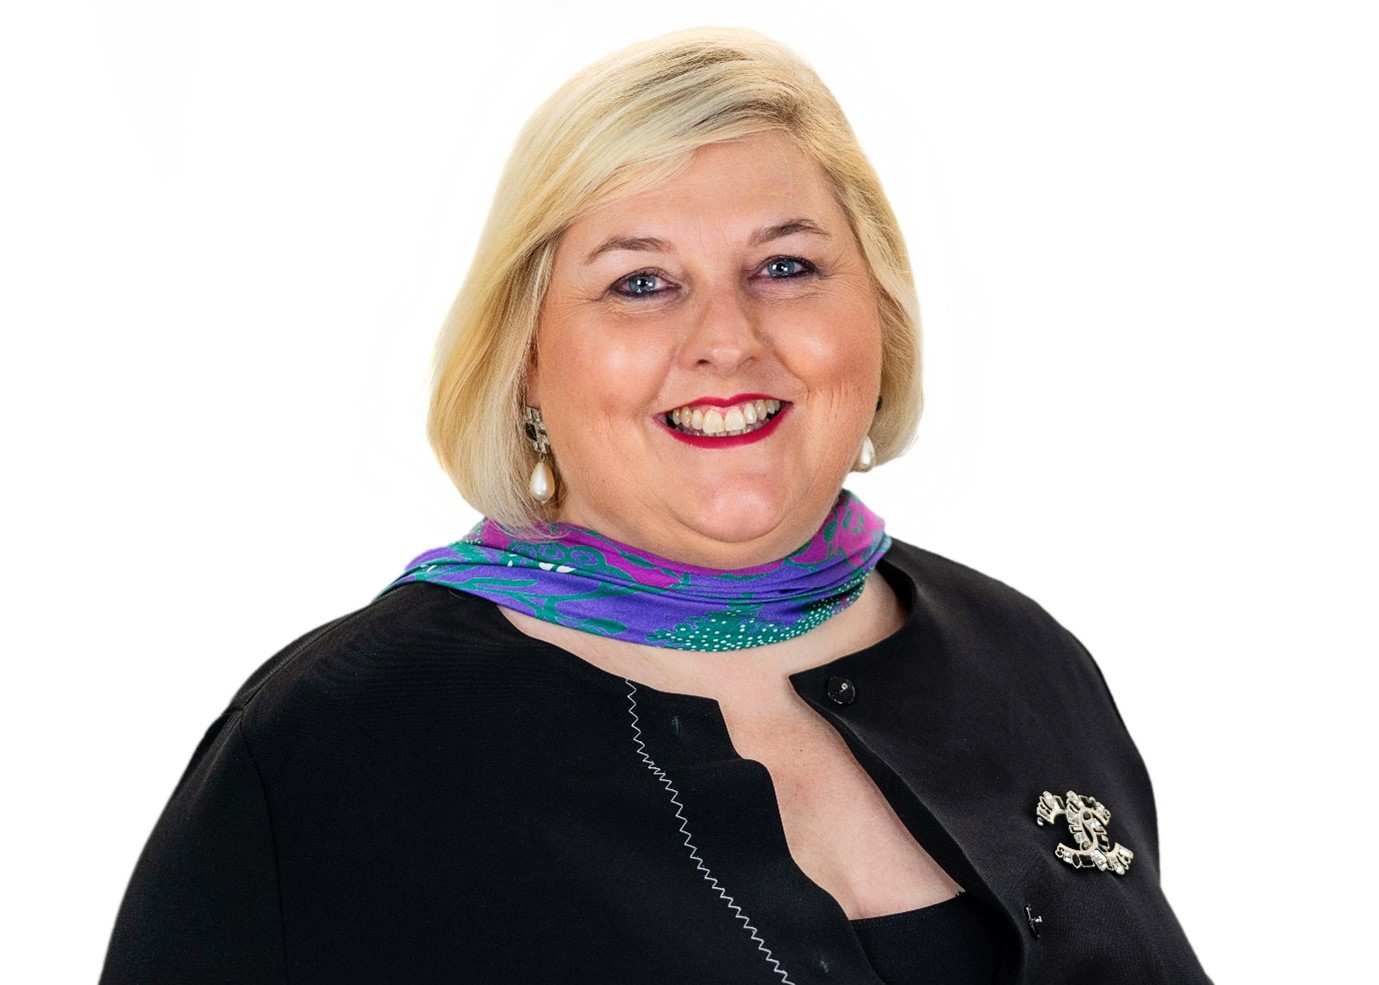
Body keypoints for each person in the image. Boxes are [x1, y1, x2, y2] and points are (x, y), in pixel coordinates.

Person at [100, 27, 1211, 985]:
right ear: (524, 360)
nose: (726, 339)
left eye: (785, 266)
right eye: (640, 282)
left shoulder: (1022, 661)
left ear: (876, 312)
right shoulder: (327, 752)